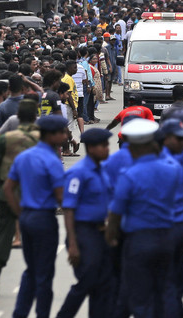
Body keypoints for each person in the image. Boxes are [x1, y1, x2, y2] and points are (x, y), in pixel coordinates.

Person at [105, 118, 182, 317]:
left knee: (139, 295)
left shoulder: (130, 175)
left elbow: (116, 211)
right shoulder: (173, 169)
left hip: (139, 240)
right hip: (167, 238)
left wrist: (111, 237)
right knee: (163, 290)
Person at [3, 114, 67, 318]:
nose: (66, 135)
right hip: (45, 220)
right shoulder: (52, 160)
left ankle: (20, 313)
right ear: (51, 135)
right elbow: (61, 197)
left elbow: (8, 188)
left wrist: (20, 212)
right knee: (45, 273)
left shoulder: (25, 156)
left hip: (27, 218)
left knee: (30, 270)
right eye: (63, 132)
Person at [57, 128, 114, 318]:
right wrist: (72, 243)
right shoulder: (78, 173)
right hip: (83, 234)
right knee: (87, 280)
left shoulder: (103, 171)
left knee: (103, 284)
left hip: (101, 233)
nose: (108, 149)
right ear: (90, 148)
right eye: (103, 145)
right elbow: (69, 208)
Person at [0, 100, 40, 296]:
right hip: (34, 194)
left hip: (6, 192)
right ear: (35, 116)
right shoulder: (42, 137)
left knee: (3, 234)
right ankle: (36, 279)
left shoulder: (6, 138)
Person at [159, 119, 183, 318]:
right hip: (155, 230)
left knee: (176, 281)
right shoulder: (153, 160)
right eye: (178, 139)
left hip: (177, 229)